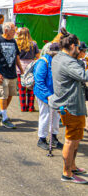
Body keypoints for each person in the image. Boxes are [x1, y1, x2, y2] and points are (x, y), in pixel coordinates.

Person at [49, 32, 88, 184]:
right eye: (78, 47)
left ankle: (72, 166)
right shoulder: (68, 62)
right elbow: (84, 76)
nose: (79, 50)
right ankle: (67, 173)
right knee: (71, 140)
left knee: (76, 137)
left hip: (68, 103)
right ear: (72, 46)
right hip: (71, 105)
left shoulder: (59, 57)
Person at [0, 22, 24, 128]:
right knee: (3, 95)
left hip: (12, 73)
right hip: (2, 73)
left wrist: (21, 70)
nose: (15, 33)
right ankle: (4, 118)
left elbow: (17, 56)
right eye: (13, 31)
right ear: (6, 30)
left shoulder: (13, 41)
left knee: (10, 94)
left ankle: (2, 112)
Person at [33, 42, 62, 151]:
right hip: (43, 94)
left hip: (54, 94)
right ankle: (42, 139)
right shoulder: (43, 61)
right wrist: (48, 95)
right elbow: (39, 82)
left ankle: (54, 137)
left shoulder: (57, 61)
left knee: (55, 116)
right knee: (45, 115)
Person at [15, 27, 39, 112]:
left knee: (21, 88)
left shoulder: (17, 43)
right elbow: (38, 56)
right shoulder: (33, 44)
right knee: (31, 87)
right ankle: (31, 107)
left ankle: (23, 107)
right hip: (31, 67)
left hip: (20, 66)